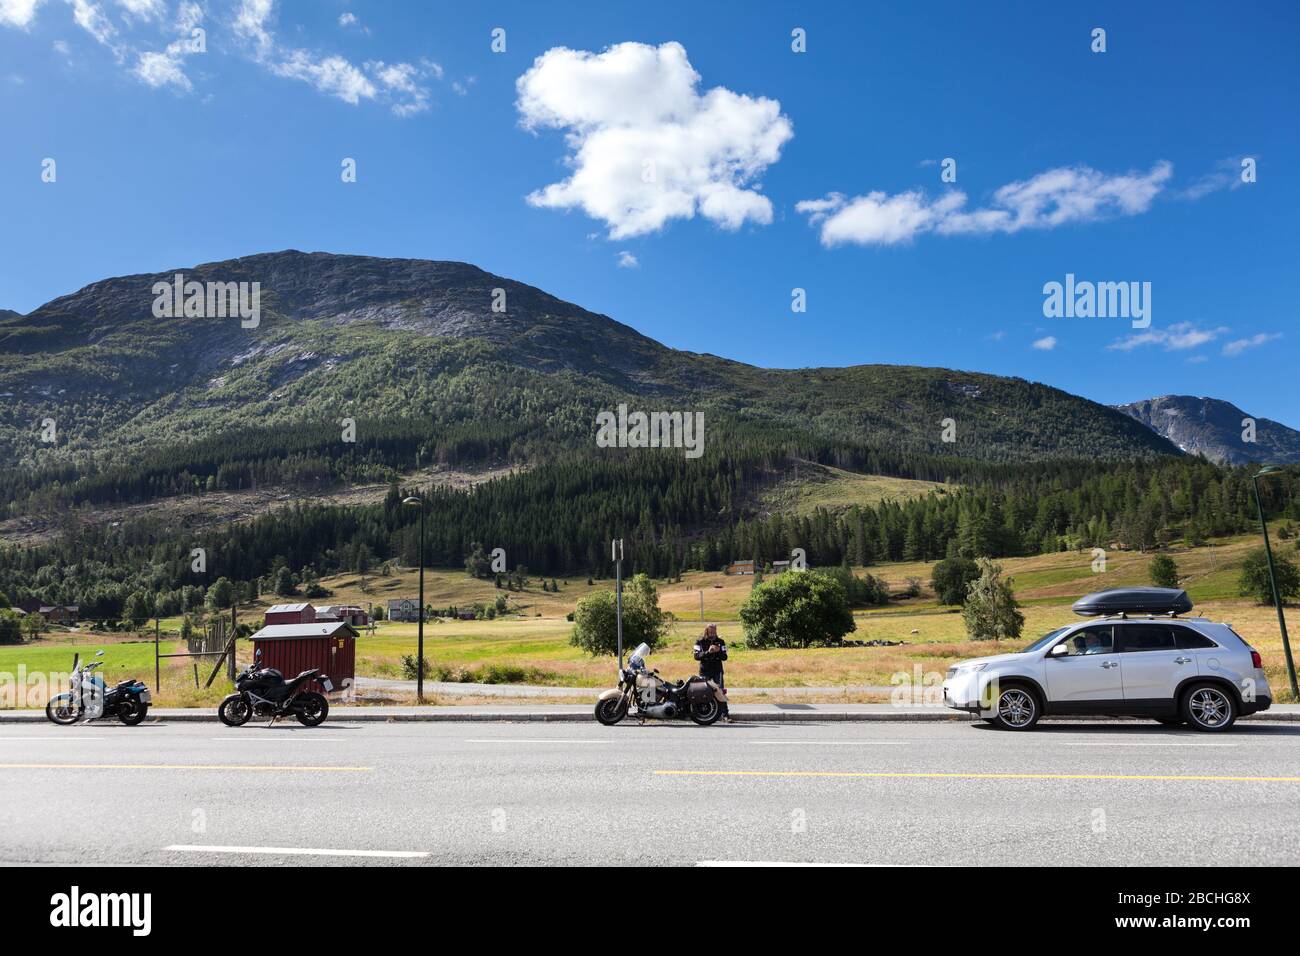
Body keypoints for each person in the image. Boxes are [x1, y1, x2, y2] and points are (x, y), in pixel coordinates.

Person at [693, 623, 731, 721]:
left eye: (714, 632)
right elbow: (696, 656)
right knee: (703, 692)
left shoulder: (721, 642)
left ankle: (725, 714)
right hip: (704, 671)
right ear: (706, 631)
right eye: (710, 632)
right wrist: (708, 652)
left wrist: (718, 651)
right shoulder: (699, 642)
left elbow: (725, 657)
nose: (712, 634)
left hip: (717, 670)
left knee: (720, 691)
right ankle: (702, 713)